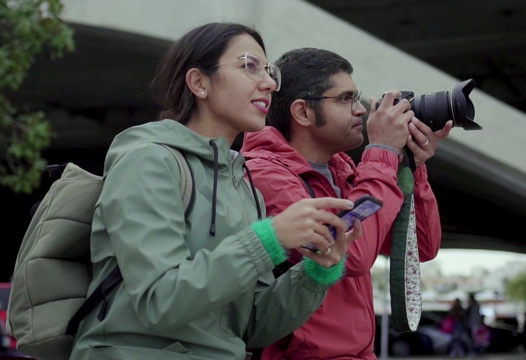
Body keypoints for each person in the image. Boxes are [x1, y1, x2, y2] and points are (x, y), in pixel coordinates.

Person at [68, 23, 363, 360]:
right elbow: (159, 301)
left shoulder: (242, 183)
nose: (268, 83)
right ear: (199, 83)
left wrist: (316, 272)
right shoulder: (149, 161)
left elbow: (253, 326)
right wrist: (270, 238)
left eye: (269, 72)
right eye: (249, 66)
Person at [241, 47, 452, 359]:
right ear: (302, 113)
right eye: (345, 99)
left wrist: (411, 168)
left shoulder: (344, 173)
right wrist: (381, 153)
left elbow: (419, 247)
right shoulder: (263, 173)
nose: (360, 110)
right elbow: (347, 255)